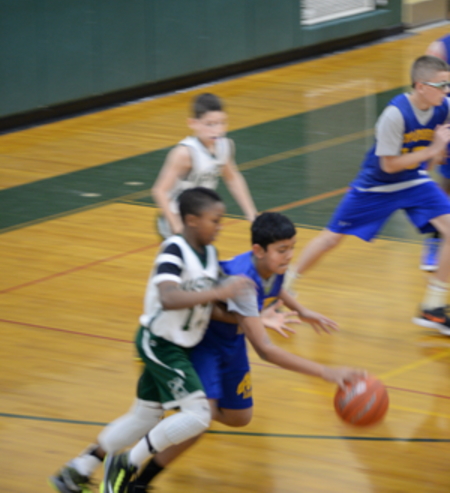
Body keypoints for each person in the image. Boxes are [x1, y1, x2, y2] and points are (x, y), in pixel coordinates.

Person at [102, 212, 365, 493]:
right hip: (205, 344)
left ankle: (189, 407)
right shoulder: (243, 281)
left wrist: (301, 309)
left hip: (233, 344)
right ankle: (139, 480)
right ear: (258, 251)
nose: (289, 256)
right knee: (199, 421)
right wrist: (326, 372)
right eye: (282, 250)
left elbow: (275, 286)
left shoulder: (271, 266)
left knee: (240, 417)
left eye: (292, 248)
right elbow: (266, 350)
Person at [49, 187, 250, 493]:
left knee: (143, 417)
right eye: (215, 220)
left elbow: (208, 304)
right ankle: (126, 463)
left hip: (179, 346)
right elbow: (168, 297)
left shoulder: (209, 255)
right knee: (199, 416)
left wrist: (251, 318)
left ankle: (77, 470)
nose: (220, 226)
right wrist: (219, 291)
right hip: (160, 344)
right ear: (192, 220)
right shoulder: (173, 249)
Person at [288, 55, 450, 335]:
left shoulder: (443, 107)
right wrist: (433, 150)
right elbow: (389, 165)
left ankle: (433, 307)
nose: (446, 90)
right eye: (441, 85)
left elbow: (431, 154)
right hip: (377, 185)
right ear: (421, 86)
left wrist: (434, 158)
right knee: (331, 238)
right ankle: (283, 285)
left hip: (413, 181)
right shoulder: (395, 115)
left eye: (448, 84)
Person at [151, 92, 257, 238]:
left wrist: (251, 214)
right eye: (210, 124)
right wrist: (177, 227)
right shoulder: (184, 153)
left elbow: (232, 179)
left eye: (222, 123)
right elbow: (159, 191)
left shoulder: (224, 146)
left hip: (201, 218)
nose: (217, 130)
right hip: (176, 217)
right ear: (193, 123)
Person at [419, 32, 450, 271]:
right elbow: (427, 92)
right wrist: (434, 138)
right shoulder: (440, 49)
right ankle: (436, 238)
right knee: (447, 185)